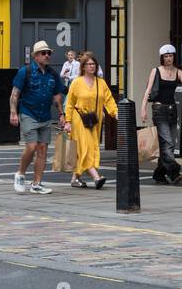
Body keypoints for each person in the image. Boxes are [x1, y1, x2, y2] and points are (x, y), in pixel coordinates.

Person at [10, 40, 67, 194]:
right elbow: (15, 94)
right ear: (36, 56)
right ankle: (20, 174)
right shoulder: (25, 71)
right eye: (43, 53)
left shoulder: (52, 74)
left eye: (49, 53)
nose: (47, 55)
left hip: (45, 116)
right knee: (32, 146)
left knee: (42, 149)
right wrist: (13, 112)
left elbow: (57, 96)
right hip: (28, 113)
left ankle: (37, 184)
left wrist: (62, 114)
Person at [141, 44, 182, 186]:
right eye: (166, 56)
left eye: (171, 55)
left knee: (169, 144)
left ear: (174, 56)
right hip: (159, 109)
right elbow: (148, 90)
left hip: (172, 110)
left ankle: (159, 175)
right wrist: (143, 109)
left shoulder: (178, 72)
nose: (169, 58)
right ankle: (174, 173)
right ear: (162, 58)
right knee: (167, 142)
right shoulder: (156, 71)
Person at [64, 52, 117, 189]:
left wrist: (115, 113)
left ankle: (75, 179)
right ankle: (96, 177)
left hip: (93, 121)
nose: (91, 66)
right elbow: (69, 103)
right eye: (88, 64)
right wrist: (68, 121)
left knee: (88, 148)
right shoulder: (77, 82)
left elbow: (109, 100)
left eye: (93, 64)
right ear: (83, 66)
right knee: (86, 148)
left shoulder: (101, 83)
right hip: (79, 119)